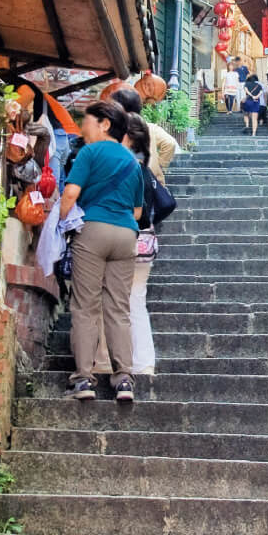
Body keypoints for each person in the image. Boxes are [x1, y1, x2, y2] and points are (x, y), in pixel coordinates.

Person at [60, 99, 143, 401]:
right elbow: (137, 211)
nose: (83, 128)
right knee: (119, 308)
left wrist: (59, 222)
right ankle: (123, 380)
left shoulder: (90, 152)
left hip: (93, 230)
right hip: (125, 235)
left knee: (85, 306)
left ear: (105, 124)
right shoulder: (133, 161)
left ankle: (83, 379)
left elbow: (70, 192)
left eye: (87, 121)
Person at [121, 111, 159, 376]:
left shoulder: (126, 168)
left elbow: (138, 210)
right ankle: (143, 363)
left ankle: (109, 361)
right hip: (144, 241)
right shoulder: (144, 166)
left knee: (114, 303)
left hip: (127, 239)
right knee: (136, 302)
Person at [241, 69, 266, 136]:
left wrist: (251, 95)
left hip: (248, 101)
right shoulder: (259, 85)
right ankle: (254, 133)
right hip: (256, 102)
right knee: (254, 118)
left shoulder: (247, 84)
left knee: (246, 114)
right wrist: (255, 96)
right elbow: (261, 93)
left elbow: (246, 91)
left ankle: (247, 125)